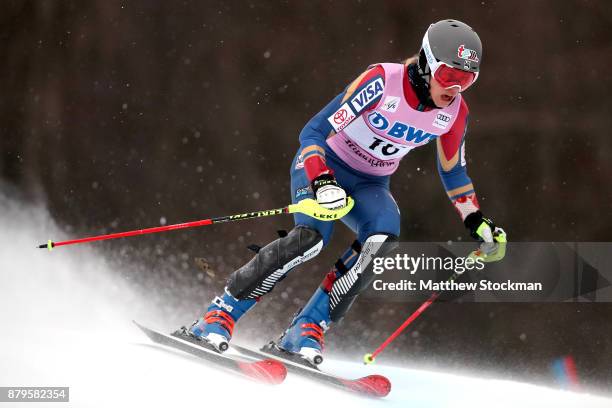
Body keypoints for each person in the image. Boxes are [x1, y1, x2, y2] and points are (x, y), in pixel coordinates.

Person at [187, 19, 506, 366]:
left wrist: (475, 220)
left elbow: (453, 170)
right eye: (448, 76)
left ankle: (305, 330)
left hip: (371, 184)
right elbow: (313, 132)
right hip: (325, 165)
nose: (455, 88)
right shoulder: (383, 82)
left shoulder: (455, 113)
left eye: (467, 79)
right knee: (310, 240)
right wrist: (322, 181)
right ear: (428, 63)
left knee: (382, 239)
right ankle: (219, 316)